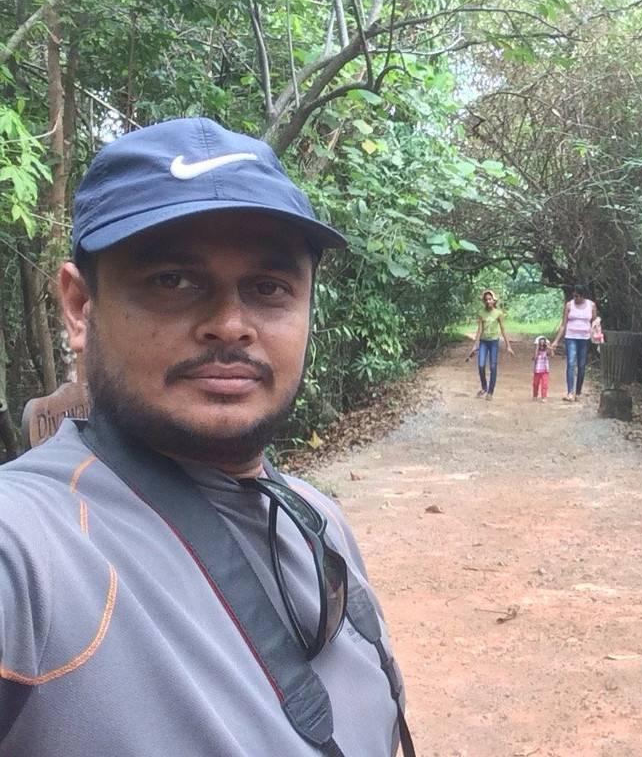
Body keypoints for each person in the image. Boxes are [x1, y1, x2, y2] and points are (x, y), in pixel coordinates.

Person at [0, 117, 411, 757]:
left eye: (269, 288)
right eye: (172, 280)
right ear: (80, 307)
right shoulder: (32, 545)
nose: (229, 325)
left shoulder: (318, 519)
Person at [550, 283, 599, 402]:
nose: (575, 298)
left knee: (582, 365)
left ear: (583, 296)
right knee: (571, 362)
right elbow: (563, 324)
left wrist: (597, 335)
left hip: (584, 338)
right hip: (570, 336)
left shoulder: (591, 305)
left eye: (577, 296)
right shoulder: (569, 305)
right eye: (574, 296)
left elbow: (594, 322)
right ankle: (570, 391)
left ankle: (578, 391)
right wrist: (556, 341)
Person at [467, 289, 513, 400]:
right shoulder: (481, 313)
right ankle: (484, 387)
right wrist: (475, 345)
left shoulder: (498, 313)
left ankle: (490, 392)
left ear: (493, 300)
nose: (488, 301)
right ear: (484, 301)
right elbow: (479, 330)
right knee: (481, 365)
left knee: (493, 366)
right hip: (483, 341)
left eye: (490, 299)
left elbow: (503, 330)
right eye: (486, 299)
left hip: (493, 342)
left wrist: (508, 346)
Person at [532, 335, 551, 401]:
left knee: (545, 384)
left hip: (545, 370)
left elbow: (552, 355)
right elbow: (534, 357)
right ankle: (535, 395)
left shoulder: (546, 352)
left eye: (543, 344)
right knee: (535, 383)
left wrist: (549, 347)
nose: (542, 346)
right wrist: (536, 348)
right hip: (537, 370)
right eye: (540, 344)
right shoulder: (537, 351)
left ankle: (544, 396)